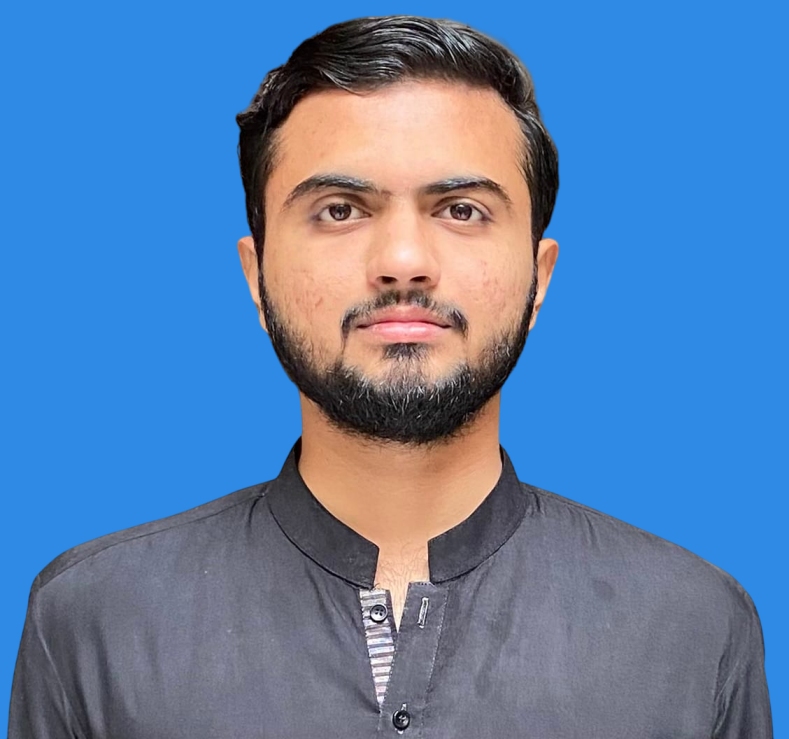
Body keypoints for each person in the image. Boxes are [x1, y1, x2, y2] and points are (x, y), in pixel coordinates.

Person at [9, 15, 771, 738]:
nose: (403, 261)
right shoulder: (92, 620)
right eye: (340, 210)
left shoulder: (693, 627)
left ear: (539, 278)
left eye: (461, 210)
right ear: (255, 274)